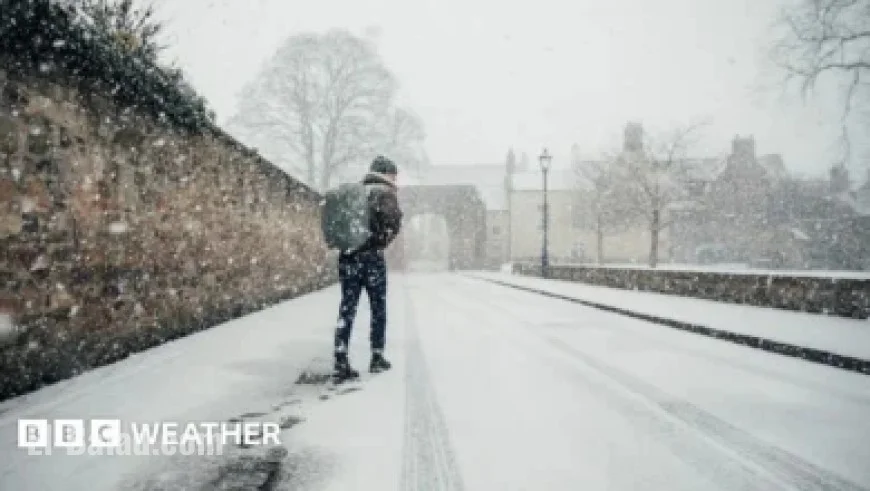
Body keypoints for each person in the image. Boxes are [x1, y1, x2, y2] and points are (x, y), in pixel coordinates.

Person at [334, 156, 403, 381]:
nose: (395, 178)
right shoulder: (384, 193)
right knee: (378, 308)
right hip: (371, 258)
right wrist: (379, 241)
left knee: (347, 308)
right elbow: (392, 224)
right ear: (385, 174)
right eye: (393, 174)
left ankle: (340, 358)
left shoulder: (355, 192)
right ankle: (376, 356)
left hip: (348, 257)